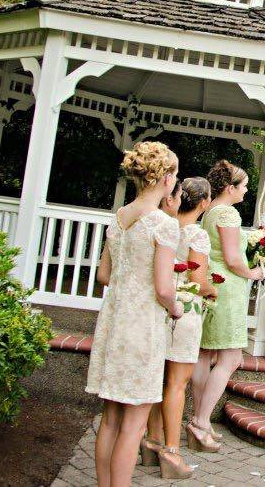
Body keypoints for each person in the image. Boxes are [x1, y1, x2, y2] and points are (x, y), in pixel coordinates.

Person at [85, 141, 183, 487]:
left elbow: (104, 276)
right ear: (166, 179)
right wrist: (177, 307)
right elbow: (163, 287)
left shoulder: (120, 217)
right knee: (134, 424)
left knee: (110, 420)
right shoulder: (163, 224)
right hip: (142, 328)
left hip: (113, 323)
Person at [141, 178, 216, 478]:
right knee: (176, 383)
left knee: (159, 379)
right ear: (203, 203)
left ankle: (151, 441)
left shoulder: (164, 225)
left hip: (160, 308)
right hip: (184, 312)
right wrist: (212, 289)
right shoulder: (197, 234)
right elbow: (197, 282)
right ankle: (171, 452)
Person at [189, 161, 264, 449]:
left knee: (205, 354)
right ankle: (201, 420)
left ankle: (198, 418)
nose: (246, 190)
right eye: (243, 185)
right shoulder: (229, 213)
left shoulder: (209, 212)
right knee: (231, 358)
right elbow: (233, 259)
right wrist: (253, 273)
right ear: (229, 188)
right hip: (228, 288)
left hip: (211, 283)